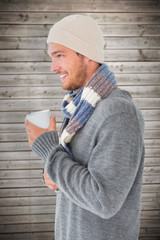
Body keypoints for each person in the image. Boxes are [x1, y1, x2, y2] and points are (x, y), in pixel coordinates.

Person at [25, 15, 145, 240]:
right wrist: (53, 174)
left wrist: (49, 152)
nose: (53, 67)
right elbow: (78, 176)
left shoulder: (118, 113)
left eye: (59, 55)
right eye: (52, 57)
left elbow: (104, 200)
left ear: (86, 54)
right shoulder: (80, 108)